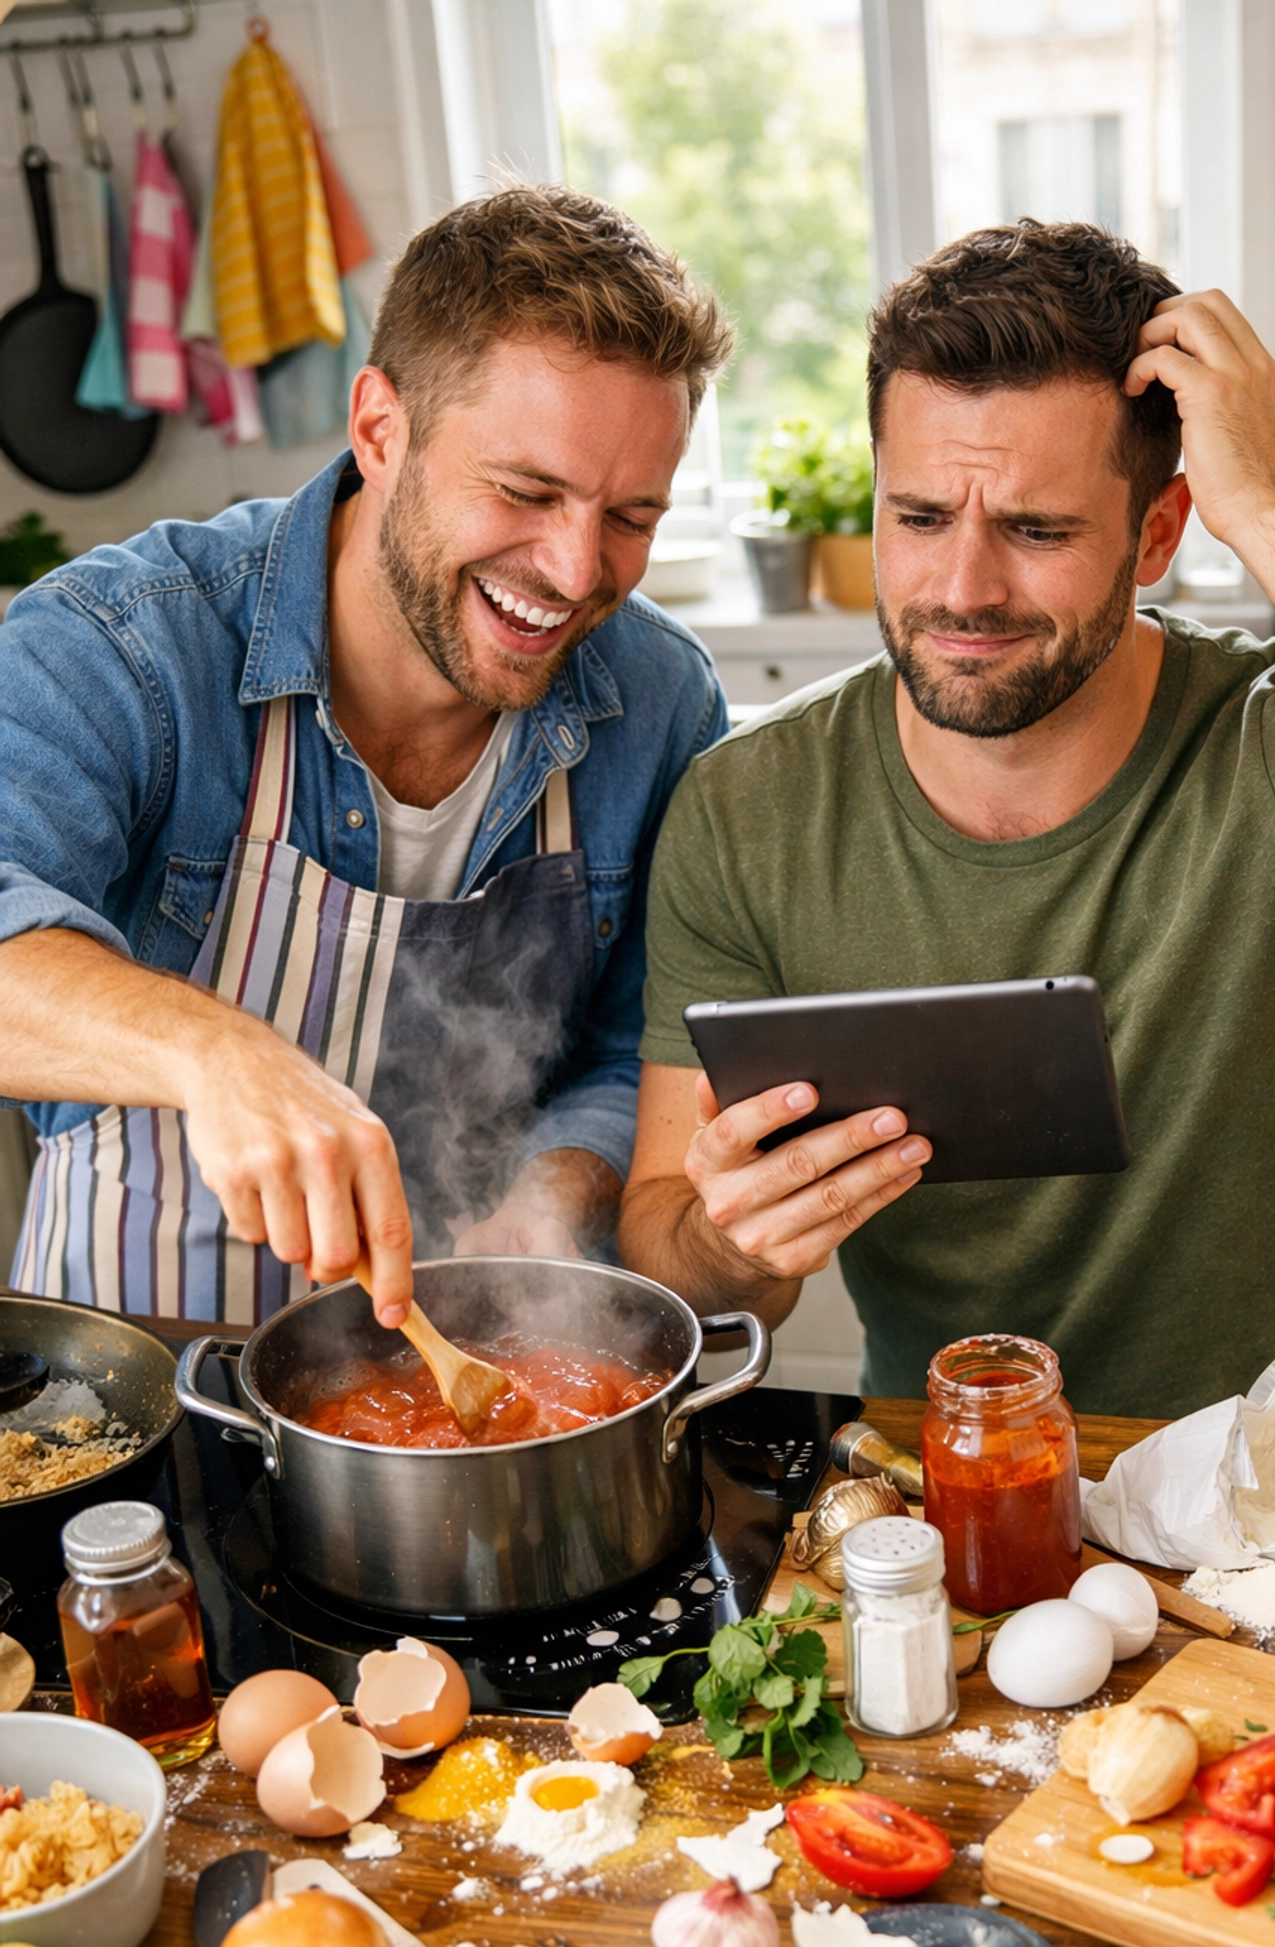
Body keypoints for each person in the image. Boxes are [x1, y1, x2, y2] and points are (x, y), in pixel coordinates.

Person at [619, 221, 1275, 1432]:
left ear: (1158, 534)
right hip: (959, 1500)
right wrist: (739, 1247)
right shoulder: (747, 811)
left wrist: (1267, 510)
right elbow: (665, 1262)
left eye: (1038, 531)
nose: (963, 588)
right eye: (921, 516)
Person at [0, 185, 732, 1330]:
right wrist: (217, 1053)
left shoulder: (660, 704)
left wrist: (551, 1199)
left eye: (631, 515)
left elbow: (636, 1053)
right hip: (136, 1378)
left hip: (471, 1376)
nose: (580, 569)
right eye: (526, 492)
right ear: (381, 430)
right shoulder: (128, 644)